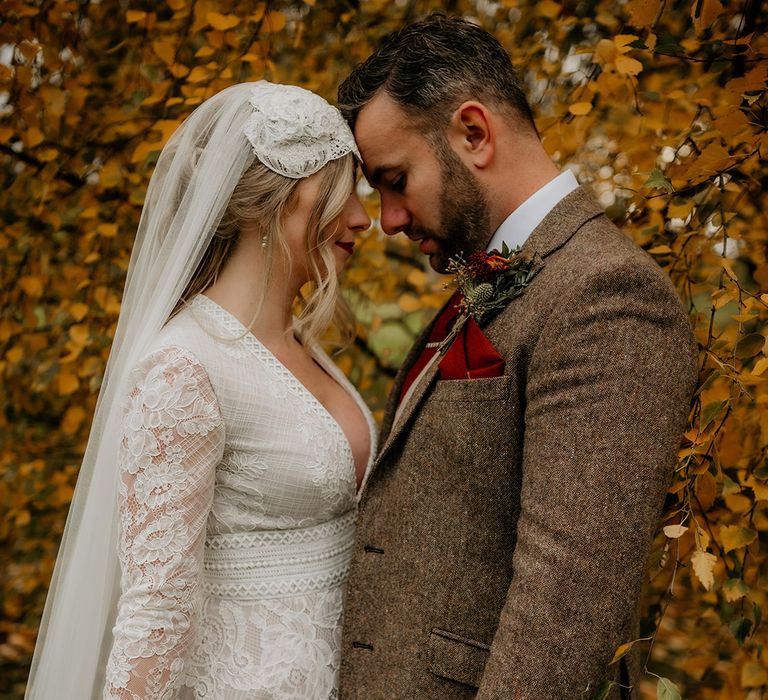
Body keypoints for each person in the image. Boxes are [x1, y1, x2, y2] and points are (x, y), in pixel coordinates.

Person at [336, 14, 698, 700]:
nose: (387, 218)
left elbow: (568, 601)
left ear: (472, 134)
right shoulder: (491, 282)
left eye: (394, 179)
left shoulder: (607, 294)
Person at [25, 81, 375, 700]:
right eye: (341, 192)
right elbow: (156, 609)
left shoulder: (302, 347)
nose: (361, 218)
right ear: (267, 201)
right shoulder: (184, 368)